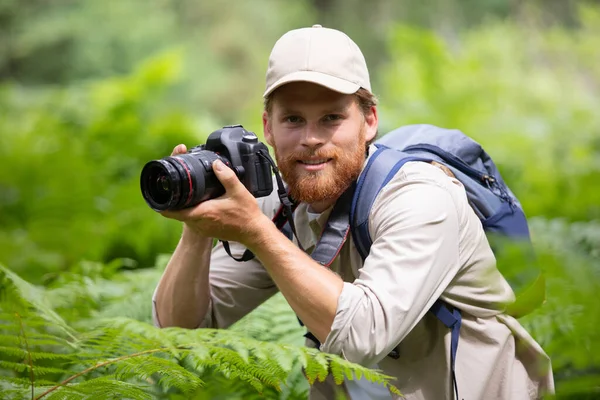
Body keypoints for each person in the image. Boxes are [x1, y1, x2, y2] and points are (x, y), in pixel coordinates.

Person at [151, 24, 555, 399]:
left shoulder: (422, 197)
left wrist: (257, 232)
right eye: (293, 118)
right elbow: (179, 329)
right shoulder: (278, 208)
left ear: (369, 120)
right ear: (268, 127)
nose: (311, 139)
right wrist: (198, 226)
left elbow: (362, 336)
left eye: (331, 118)